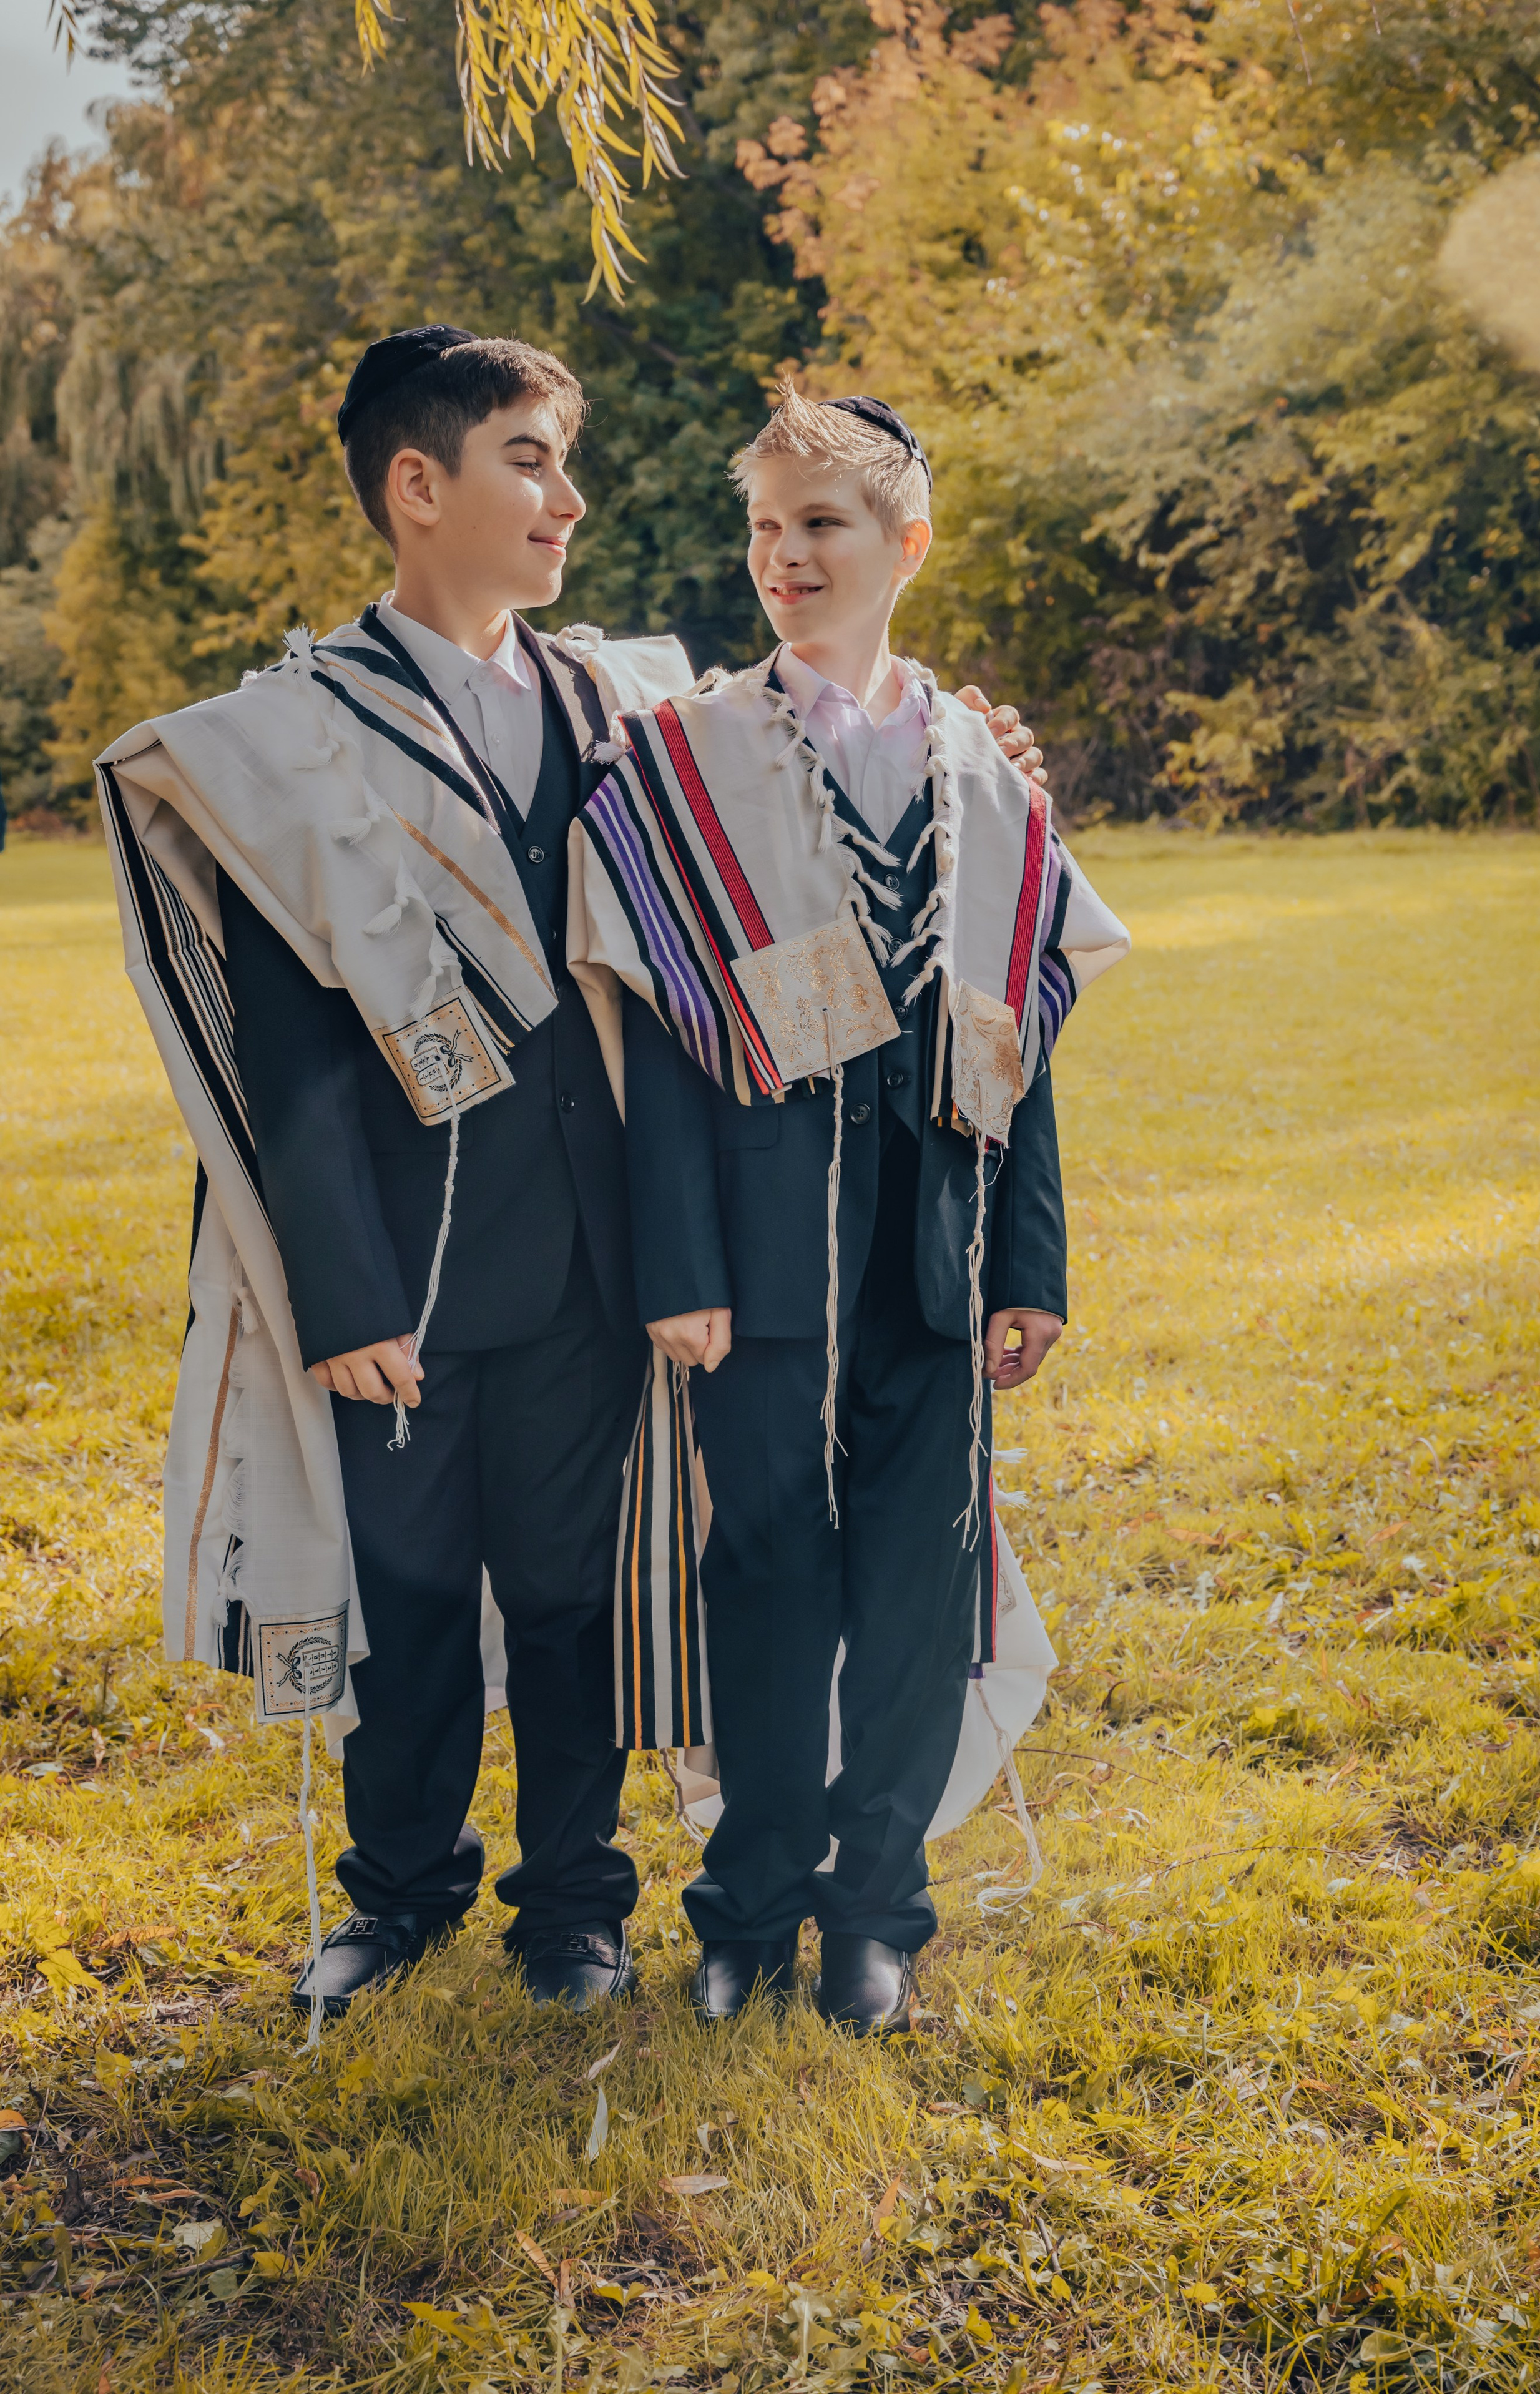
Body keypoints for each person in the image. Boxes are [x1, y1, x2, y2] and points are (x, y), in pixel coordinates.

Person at [97, 330, 1052, 2025]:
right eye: (530, 461)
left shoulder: (621, 702)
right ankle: (394, 1894)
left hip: (609, 1258)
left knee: (571, 1597)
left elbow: (814, 746)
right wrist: (338, 1285)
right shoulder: (291, 743)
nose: (569, 498)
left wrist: (975, 741)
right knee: (398, 1596)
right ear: (418, 485)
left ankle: (576, 1901)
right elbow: (293, 1045)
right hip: (409, 1256)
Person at [571, 386, 1128, 2034]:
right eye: (766, 530)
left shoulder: (984, 770)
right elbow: (661, 1050)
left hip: (936, 1265)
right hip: (753, 1266)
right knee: (767, 1579)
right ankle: (745, 1899)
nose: (787, 558)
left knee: (912, 1590)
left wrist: (1030, 1260)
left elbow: (1013, 1040)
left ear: (906, 542)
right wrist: (676, 1264)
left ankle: (877, 1908)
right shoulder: (683, 764)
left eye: (821, 525)